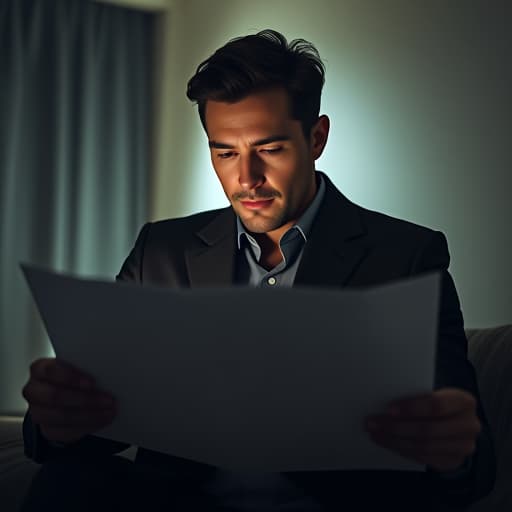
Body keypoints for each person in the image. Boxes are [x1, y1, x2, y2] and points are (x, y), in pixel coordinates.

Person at [20, 29, 495, 511]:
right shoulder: (160, 251)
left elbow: (472, 467)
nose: (245, 179)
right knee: (64, 481)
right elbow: (89, 429)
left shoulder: (406, 255)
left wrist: (450, 448)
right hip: (176, 500)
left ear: (316, 138)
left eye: (269, 149)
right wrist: (59, 420)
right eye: (224, 152)